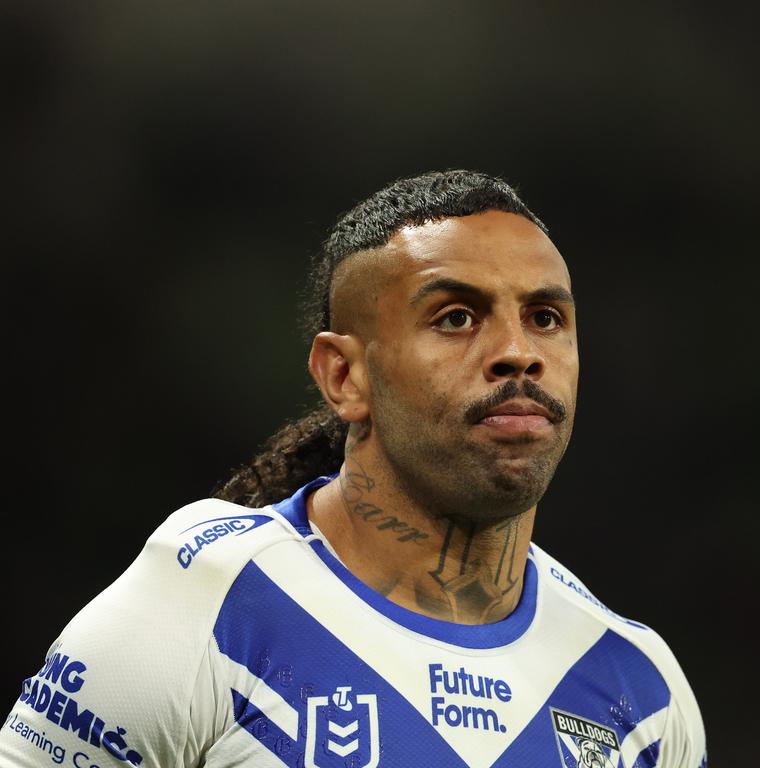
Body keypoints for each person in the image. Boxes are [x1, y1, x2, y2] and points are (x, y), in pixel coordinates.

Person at [3, 170, 706, 768]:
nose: (519, 352)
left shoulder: (639, 693)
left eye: (546, 317)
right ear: (344, 375)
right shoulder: (211, 604)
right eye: (457, 317)